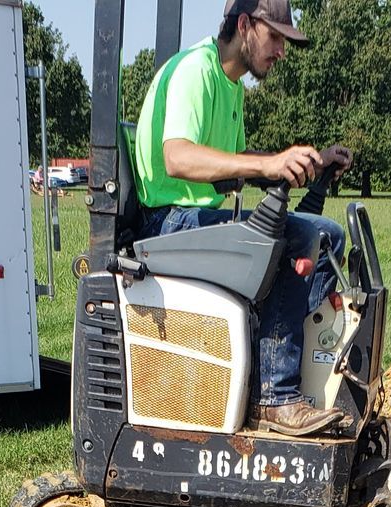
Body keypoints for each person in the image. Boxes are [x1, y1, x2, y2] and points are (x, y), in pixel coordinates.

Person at [131, 0, 352, 438]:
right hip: (167, 222)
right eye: (276, 38)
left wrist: (304, 162)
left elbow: (232, 165)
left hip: (194, 216)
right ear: (246, 26)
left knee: (324, 236)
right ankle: (274, 396)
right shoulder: (196, 71)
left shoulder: (230, 86)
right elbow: (178, 158)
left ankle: (285, 368)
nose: (281, 52)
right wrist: (269, 166)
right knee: (296, 237)